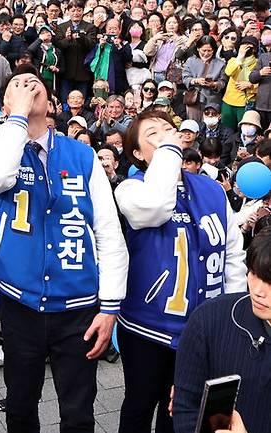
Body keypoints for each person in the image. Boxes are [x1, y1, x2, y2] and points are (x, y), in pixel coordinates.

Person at [0, 64, 129, 433]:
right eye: (16, 85)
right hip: (20, 305)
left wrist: (109, 309)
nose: (27, 86)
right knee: (21, 406)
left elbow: (107, 232)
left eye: (34, 84)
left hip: (77, 308)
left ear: (52, 101)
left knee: (77, 413)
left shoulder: (82, 155)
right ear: (5, 102)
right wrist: (15, 120)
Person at [113, 110, 247, 433]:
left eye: (169, 130)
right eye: (153, 135)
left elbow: (233, 256)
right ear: (137, 153)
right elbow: (157, 205)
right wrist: (169, 153)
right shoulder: (130, 189)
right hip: (147, 329)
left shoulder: (211, 190)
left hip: (199, 330)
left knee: (179, 415)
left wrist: (233, 316)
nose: (166, 136)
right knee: (138, 407)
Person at [173, 228, 271, 433]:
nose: (258, 291)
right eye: (253, 273)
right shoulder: (209, 319)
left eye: (270, 282)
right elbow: (185, 406)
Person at [54, 0, 98, 103]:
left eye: (79, 10)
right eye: (73, 10)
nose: (76, 13)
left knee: (81, 101)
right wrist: (68, 39)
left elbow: (90, 45)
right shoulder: (61, 27)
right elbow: (58, 46)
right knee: (65, 101)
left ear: (83, 11)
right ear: (68, 11)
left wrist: (80, 37)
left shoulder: (90, 27)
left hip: (83, 72)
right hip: (66, 72)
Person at [182, 35, 226, 121]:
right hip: (194, 99)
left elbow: (223, 82)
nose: (206, 53)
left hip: (212, 100)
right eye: (203, 50)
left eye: (209, 51)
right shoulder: (191, 61)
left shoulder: (221, 64)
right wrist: (195, 81)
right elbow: (185, 78)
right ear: (198, 48)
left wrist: (213, 84)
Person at [85, 19, 132, 96]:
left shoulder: (124, 44)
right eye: (109, 29)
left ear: (119, 30)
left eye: (115, 28)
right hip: (100, 78)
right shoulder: (99, 43)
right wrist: (101, 47)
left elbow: (128, 59)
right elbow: (90, 61)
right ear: (106, 30)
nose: (112, 31)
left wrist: (119, 47)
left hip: (117, 79)